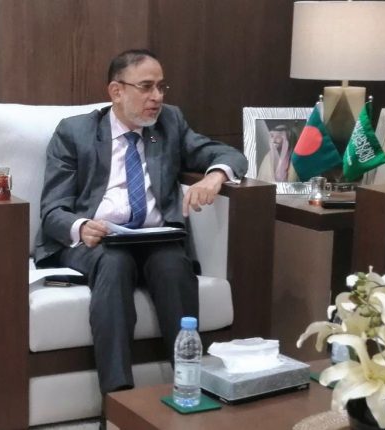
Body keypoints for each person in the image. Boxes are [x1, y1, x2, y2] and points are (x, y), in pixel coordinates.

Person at [34, 49, 247, 401]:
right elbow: (53, 209)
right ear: (116, 91)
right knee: (114, 264)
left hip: (156, 238)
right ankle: (118, 401)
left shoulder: (170, 123)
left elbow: (228, 154)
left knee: (173, 265)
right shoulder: (75, 132)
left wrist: (214, 177)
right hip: (97, 242)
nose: (157, 97)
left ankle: (190, 388)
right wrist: (81, 226)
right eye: (146, 87)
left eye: (161, 87)